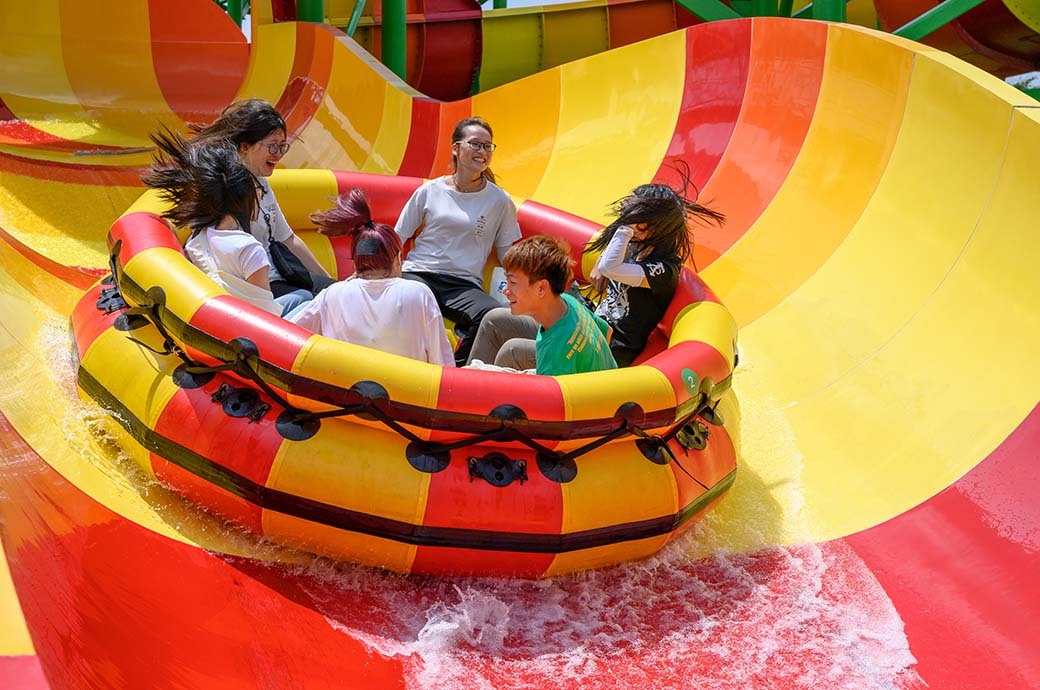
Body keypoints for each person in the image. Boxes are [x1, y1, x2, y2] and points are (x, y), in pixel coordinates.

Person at [468, 174, 725, 368]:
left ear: (656, 227)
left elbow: (608, 267)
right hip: (582, 325)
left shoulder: (662, 269)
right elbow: (602, 268)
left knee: (513, 351)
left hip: (605, 349)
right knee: (494, 320)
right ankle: (466, 393)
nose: (627, 220)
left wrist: (624, 229)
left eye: (637, 218)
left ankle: (487, 415)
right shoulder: (634, 248)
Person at [393, 116, 522, 366]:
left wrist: (529, 278)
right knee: (412, 296)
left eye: (487, 146)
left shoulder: (499, 201)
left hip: (462, 284)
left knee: (492, 314)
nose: (482, 151)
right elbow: (397, 236)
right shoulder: (429, 191)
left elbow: (508, 253)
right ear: (455, 147)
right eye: (475, 144)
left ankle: (458, 373)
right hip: (420, 272)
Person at [141, 130, 307, 317]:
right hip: (249, 328)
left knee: (301, 296)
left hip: (223, 317)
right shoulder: (250, 249)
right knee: (310, 299)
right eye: (257, 193)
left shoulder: (197, 239)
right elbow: (266, 316)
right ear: (244, 200)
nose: (261, 198)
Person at [285, 189, 455, 366]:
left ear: (355, 262)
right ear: (397, 259)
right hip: (406, 391)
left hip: (342, 390)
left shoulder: (332, 295)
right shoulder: (418, 293)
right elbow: (442, 364)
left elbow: (285, 335)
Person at [189, 98, 334, 301]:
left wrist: (328, 282)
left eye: (283, 147)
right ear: (244, 147)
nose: (278, 154)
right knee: (308, 299)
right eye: (272, 147)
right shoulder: (224, 189)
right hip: (259, 287)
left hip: (282, 274)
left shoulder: (261, 183)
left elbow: (288, 238)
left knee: (336, 294)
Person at [490, 235, 616, 376]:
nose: (505, 290)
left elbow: (554, 393)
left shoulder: (554, 364)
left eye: (512, 283)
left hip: (574, 388)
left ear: (542, 288)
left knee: (509, 352)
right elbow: (607, 331)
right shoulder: (568, 301)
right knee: (494, 320)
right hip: (599, 378)